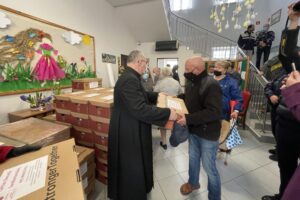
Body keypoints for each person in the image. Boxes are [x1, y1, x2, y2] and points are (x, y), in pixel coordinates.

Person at [107, 50, 177, 200]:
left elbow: (143, 95)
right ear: (139, 62)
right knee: (132, 164)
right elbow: (139, 108)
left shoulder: (131, 76)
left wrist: (159, 95)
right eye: (145, 63)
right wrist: (167, 113)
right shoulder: (129, 79)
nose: (146, 67)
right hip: (129, 128)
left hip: (130, 122)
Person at [262, 5, 300, 200]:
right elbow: (287, 53)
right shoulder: (294, 65)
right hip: (288, 122)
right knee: (286, 166)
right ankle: (283, 195)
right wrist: (293, 21)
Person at [176, 56, 222, 200]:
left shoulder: (211, 84)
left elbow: (213, 112)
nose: (185, 71)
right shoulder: (191, 81)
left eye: (187, 69)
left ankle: (214, 197)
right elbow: (190, 98)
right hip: (194, 130)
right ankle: (193, 183)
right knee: (193, 159)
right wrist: (175, 98)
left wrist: (188, 119)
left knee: (209, 168)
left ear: (196, 70)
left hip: (208, 134)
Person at [154, 67, 183, 150]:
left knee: (163, 124)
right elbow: (181, 92)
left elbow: (155, 93)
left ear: (162, 73)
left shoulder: (160, 82)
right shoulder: (176, 82)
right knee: (173, 124)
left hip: (163, 106)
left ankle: (164, 143)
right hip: (174, 106)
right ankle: (173, 141)